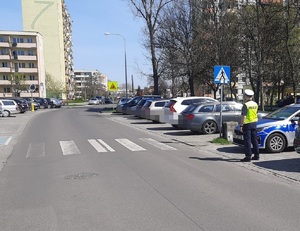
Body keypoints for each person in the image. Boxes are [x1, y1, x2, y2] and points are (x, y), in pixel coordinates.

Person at [240, 89, 259, 162]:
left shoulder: (246, 105)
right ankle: (257, 155)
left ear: (245, 96)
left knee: (247, 141)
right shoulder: (255, 104)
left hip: (247, 124)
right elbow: (256, 113)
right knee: (255, 140)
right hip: (254, 123)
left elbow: (243, 116)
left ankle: (248, 156)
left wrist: (241, 125)